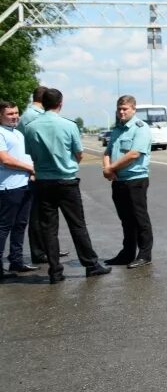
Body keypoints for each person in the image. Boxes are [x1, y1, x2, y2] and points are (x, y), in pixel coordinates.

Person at [22, 88, 111, 284]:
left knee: (48, 228)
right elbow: (79, 153)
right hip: (66, 181)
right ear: (60, 104)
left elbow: (31, 154)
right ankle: (91, 264)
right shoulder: (69, 125)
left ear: (42, 103)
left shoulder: (31, 127)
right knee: (77, 224)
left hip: (43, 182)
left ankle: (55, 271)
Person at [103, 95, 154, 268]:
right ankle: (127, 253)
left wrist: (111, 168)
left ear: (133, 109)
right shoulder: (117, 130)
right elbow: (107, 151)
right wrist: (107, 168)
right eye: (119, 109)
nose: (121, 112)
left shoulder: (141, 128)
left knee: (140, 219)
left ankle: (145, 254)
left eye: (125, 109)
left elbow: (134, 154)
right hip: (118, 181)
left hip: (135, 180)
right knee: (125, 219)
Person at [18, 85, 55, 265]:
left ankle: (46, 248)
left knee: (41, 213)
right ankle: (39, 252)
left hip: (33, 167)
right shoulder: (34, 116)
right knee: (37, 214)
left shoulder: (29, 114)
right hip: (34, 168)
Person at [0, 101, 38, 279]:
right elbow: (5, 160)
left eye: (16, 113)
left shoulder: (17, 133)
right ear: (1, 116)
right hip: (8, 188)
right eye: (10, 114)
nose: (15, 116)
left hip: (24, 185)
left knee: (20, 225)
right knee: (4, 228)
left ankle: (16, 260)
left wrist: (30, 171)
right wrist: (29, 168)